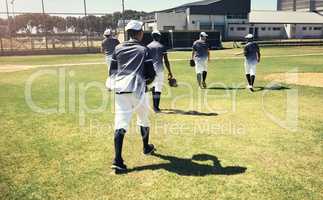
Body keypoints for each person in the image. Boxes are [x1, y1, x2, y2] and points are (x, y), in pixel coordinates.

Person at [107, 20, 156, 172]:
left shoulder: (118, 48)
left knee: (120, 124)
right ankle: (146, 147)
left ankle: (117, 159)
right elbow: (151, 74)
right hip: (138, 89)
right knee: (143, 119)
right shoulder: (143, 49)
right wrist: (147, 82)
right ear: (140, 33)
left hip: (120, 90)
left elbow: (112, 72)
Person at [147, 30, 173, 113]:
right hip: (159, 70)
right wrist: (169, 71)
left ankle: (154, 106)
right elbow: (166, 61)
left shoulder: (148, 46)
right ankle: (156, 107)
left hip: (150, 70)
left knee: (154, 87)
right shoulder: (162, 46)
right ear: (158, 36)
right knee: (158, 88)